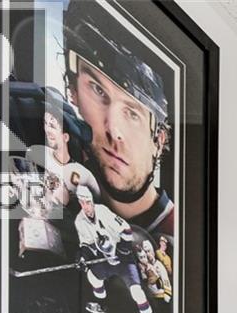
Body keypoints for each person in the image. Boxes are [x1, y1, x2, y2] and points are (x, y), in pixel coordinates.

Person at [63, 3, 175, 241]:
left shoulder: (180, 236)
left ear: (159, 139)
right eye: (98, 90)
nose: (114, 129)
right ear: (73, 91)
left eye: (133, 113)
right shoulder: (62, 195)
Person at [72, 184, 157, 313]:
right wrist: (83, 257)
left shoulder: (103, 211)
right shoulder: (79, 221)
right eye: (82, 203)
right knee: (93, 277)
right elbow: (86, 244)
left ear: (92, 201)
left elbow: (126, 230)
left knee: (137, 292)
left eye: (88, 202)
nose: (86, 206)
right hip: (105, 259)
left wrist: (123, 249)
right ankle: (102, 306)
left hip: (123, 259)